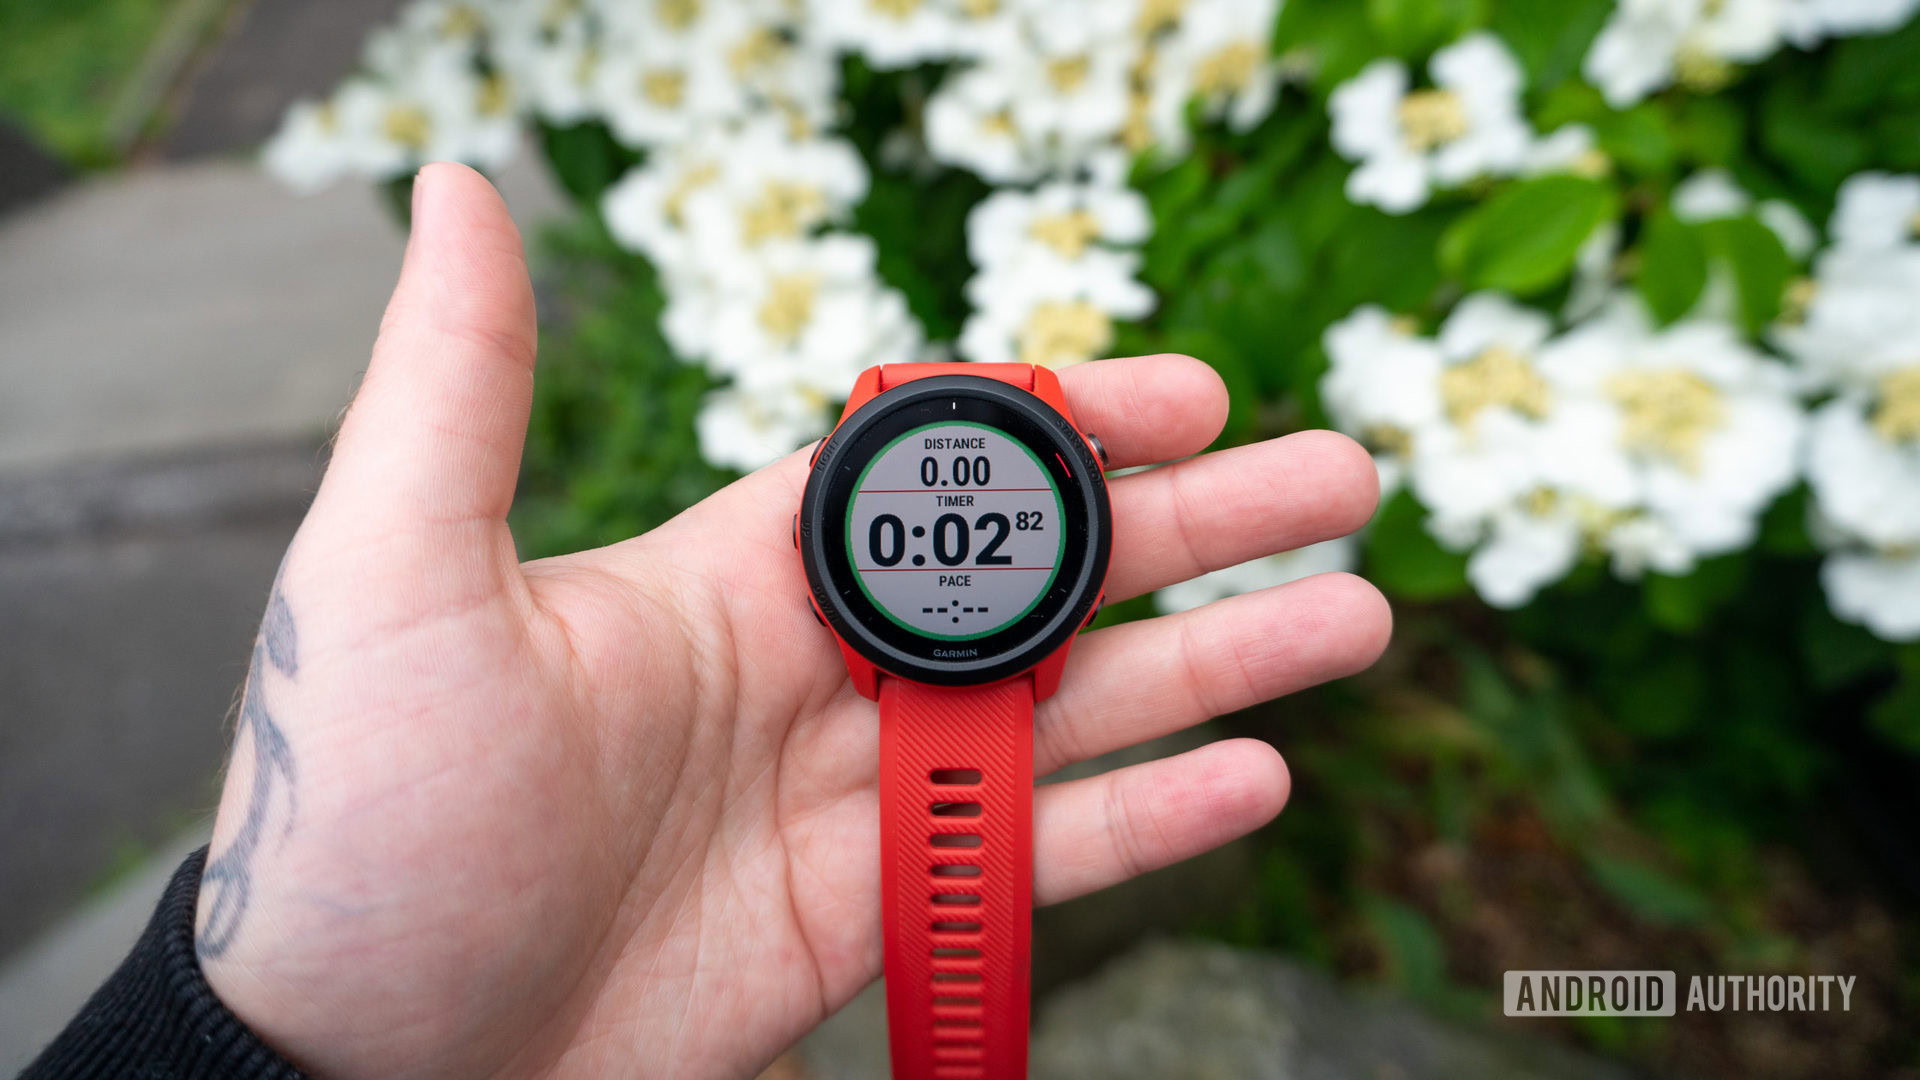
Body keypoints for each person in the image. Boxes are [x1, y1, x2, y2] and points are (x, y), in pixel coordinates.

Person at [25, 164, 1390, 1079]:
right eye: (915, 529)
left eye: (980, 528)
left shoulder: (902, 506)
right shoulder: (993, 519)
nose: (950, 540)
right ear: (825, 546)